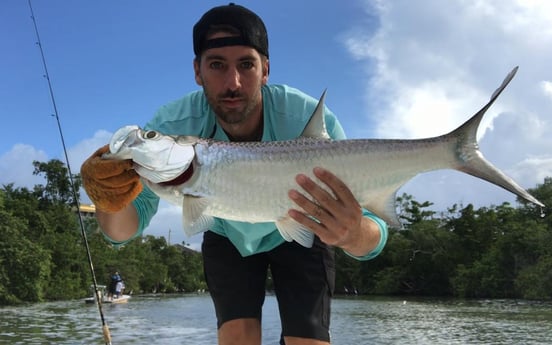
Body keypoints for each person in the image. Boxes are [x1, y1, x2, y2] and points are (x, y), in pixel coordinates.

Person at [81, 3, 388, 345]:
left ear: (266, 69)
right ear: (197, 71)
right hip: (224, 225)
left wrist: (353, 233)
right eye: (217, 65)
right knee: (237, 337)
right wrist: (107, 198)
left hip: (305, 224)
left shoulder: (307, 116)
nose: (233, 83)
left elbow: (374, 237)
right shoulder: (171, 129)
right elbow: (122, 231)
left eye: (246, 64)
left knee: (309, 340)